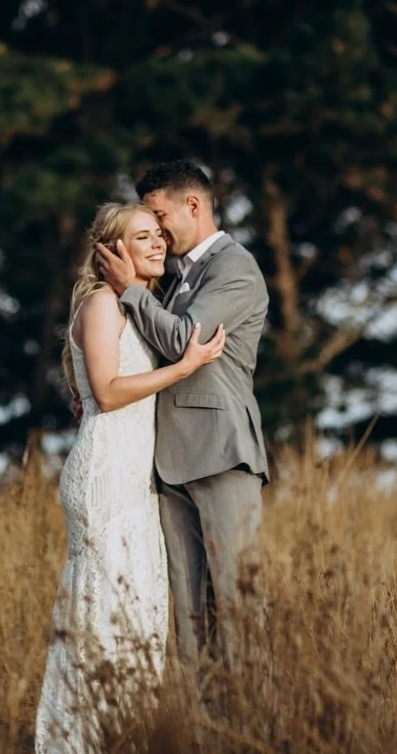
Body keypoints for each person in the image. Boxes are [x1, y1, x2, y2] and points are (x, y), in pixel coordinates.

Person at [35, 202, 226, 754]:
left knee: (137, 619)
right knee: (103, 621)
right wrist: (185, 367)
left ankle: (119, 739)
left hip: (133, 478)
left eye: (159, 234)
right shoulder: (100, 303)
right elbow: (109, 391)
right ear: (110, 251)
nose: (158, 243)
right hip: (106, 475)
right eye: (143, 236)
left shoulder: (131, 305)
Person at [95, 160, 271, 673]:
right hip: (169, 465)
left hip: (220, 455)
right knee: (190, 621)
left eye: (158, 215)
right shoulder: (173, 278)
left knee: (238, 610)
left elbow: (184, 341)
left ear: (192, 205)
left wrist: (129, 291)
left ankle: (253, 732)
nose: (155, 231)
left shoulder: (235, 266)